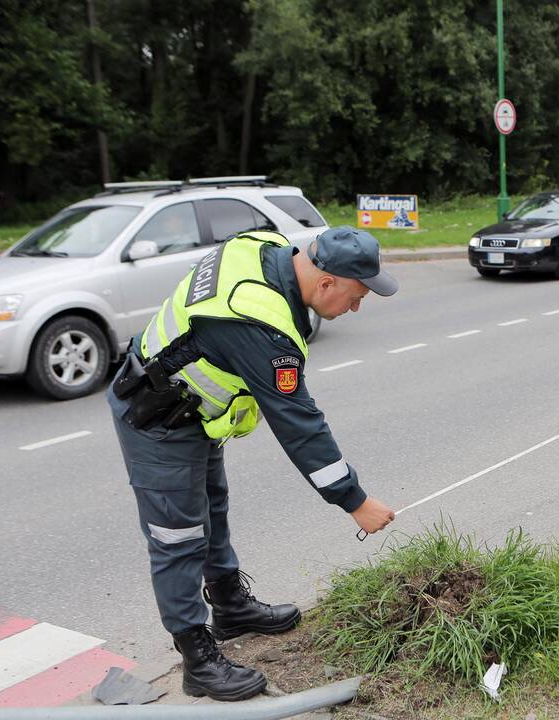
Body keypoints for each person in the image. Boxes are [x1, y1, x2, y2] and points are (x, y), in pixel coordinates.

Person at [107, 227, 397, 701]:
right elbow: (301, 427)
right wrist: (354, 500)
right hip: (155, 417)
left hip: (191, 411)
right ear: (325, 283)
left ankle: (229, 605)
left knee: (211, 508)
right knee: (177, 535)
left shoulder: (263, 246)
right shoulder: (257, 323)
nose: (356, 307)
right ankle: (197, 658)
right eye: (357, 295)